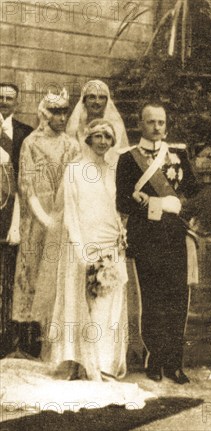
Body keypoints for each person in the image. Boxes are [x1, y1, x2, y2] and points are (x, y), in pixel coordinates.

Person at [32, 119, 128, 381]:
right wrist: (81, 248)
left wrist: (120, 236)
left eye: (107, 137)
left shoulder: (112, 170)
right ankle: (82, 361)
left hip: (111, 245)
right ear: (88, 139)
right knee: (82, 303)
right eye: (97, 136)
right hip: (83, 246)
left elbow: (115, 207)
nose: (103, 142)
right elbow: (71, 214)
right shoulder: (74, 170)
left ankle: (103, 363)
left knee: (108, 307)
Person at [116, 102, 199, 384]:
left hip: (176, 237)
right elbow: (121, 200)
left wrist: (176, 207)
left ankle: (174, 362)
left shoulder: (178, 155)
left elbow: (193, 195)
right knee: (152, 301)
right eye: (150, 122)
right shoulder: (127, 159)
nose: (156, 127)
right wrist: (152, 203)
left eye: (161, 122)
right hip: (146, 238)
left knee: (177, 300)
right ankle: (154, 359)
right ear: (140, 125)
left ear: (166, 125)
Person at [13, 89, 80, 358]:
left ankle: (53, 342)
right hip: (37, 219)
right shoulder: (31, 143)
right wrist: (44, 218)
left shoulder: (72, 145)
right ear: (45, 114)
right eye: (56, 112)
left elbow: (75, 185)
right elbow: (26, 185)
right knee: (32, 272)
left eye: (64, 112)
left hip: (63, 217)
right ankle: (30, 339)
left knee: (56, 275)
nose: (61, 117)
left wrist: (63, 218)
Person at [0, 83, 33, 356]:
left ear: (16, 103)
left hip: (13, 214)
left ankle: (8, 341)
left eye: (9, 98)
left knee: (10, 278)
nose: (4, 102)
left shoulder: (25, 133)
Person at [66, 80, 129, 172]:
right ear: (84, 100)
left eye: (102, 97)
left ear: (107, 101)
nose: (97, 102)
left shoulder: (117, 128)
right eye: (92, 97)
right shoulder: (75, 128)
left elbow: (123, 159)